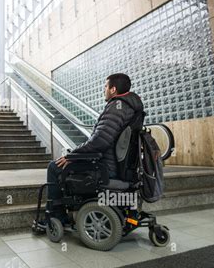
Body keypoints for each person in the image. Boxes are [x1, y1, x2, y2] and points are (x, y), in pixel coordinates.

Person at [45, 73, 144, 222]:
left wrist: (71, 156)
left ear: (113, 89)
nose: (103, 89)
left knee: (54, 167)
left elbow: (100, 141)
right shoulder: (132, 107)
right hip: (122, 168)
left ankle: (56, 216)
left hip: (106, 168)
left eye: (105, 86)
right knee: (66, 163)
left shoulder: (116, 107)